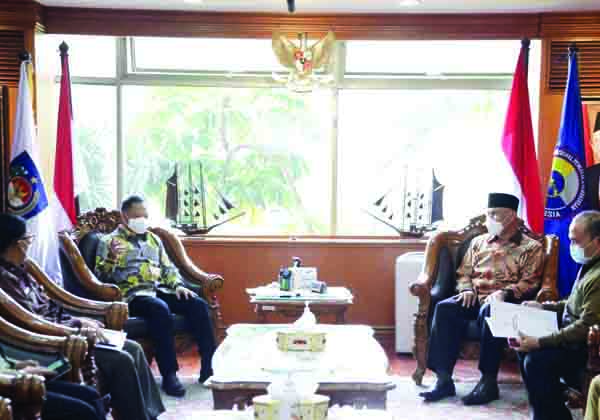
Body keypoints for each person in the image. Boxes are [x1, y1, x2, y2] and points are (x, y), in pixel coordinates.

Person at [0, 213, 165, 420]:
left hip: (66, 330)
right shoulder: (5, 280)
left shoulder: (23, 269)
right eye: (28, 239)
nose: (30, 244)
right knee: (122, 360)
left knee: (133, 347)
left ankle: (149, 415)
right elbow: (31, 321)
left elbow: (51, 307)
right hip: (51, 344)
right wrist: (77, 326)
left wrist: (80, 320)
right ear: (16, 244)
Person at [419, 192, 544, 405]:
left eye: (494, 214)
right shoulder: (478, 242)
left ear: (511, 216)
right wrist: (466, 289)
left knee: (492, 310)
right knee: (445, 308)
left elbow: (530, 282)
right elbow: (464, 273)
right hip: (475, 297)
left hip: (507, 302)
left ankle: (488, 381)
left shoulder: (531, 247)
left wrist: (505, 293)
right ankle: (443, 379)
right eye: (488, 214)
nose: (489, 220)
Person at [95, 195, 217, 397]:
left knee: (197, 304)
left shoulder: (154, 239)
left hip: (159, 289)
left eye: (145, 215)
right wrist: (111, 258)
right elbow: (100, 279)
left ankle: (208, 368)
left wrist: (178, 286)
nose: (142, 220)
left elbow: (169, 269)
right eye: (137, 216)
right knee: (159, 309)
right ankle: (169, 375)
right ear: (125, 217)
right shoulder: (109, 242)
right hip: (131, 295)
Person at [515, 210, 600, 420]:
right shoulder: (590, 265)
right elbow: (573, 304)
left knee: (535, 360)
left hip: (586, 348)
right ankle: (548, 411)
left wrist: (541, 341)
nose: (571, 246)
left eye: (576, 241)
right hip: (570, 337)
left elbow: (585, 326)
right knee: (522, 345)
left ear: (597, 242)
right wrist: (543, 307)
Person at [0, 345, 105, 420]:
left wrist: (16, 365)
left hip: (23, 379)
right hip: (11, 390)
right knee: (84, 411)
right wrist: (20, 374)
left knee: (91, 395)